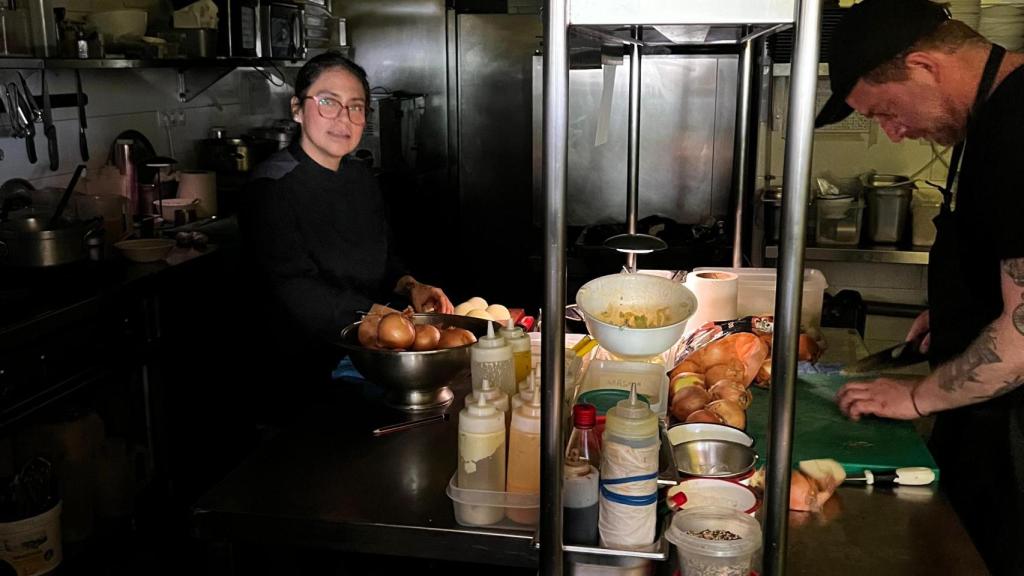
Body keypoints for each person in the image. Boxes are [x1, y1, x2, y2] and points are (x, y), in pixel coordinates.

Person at [819, 1, 1024, 573]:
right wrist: (961, 307)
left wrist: (915, 397)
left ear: (924, 66)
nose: (895, 132)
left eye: (886, 110)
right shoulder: (990, 118)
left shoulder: (1016, 128)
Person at [241, 52, 453, 397]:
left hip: (366, 355)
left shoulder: (360, 177)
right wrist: (380, 319)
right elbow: (296, 289)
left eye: (356, 106)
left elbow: (382, 258)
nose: (343, 118)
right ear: (297, 109)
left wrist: (410, 285)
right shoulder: (271, 188)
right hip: (301, 371)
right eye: (328, 102)